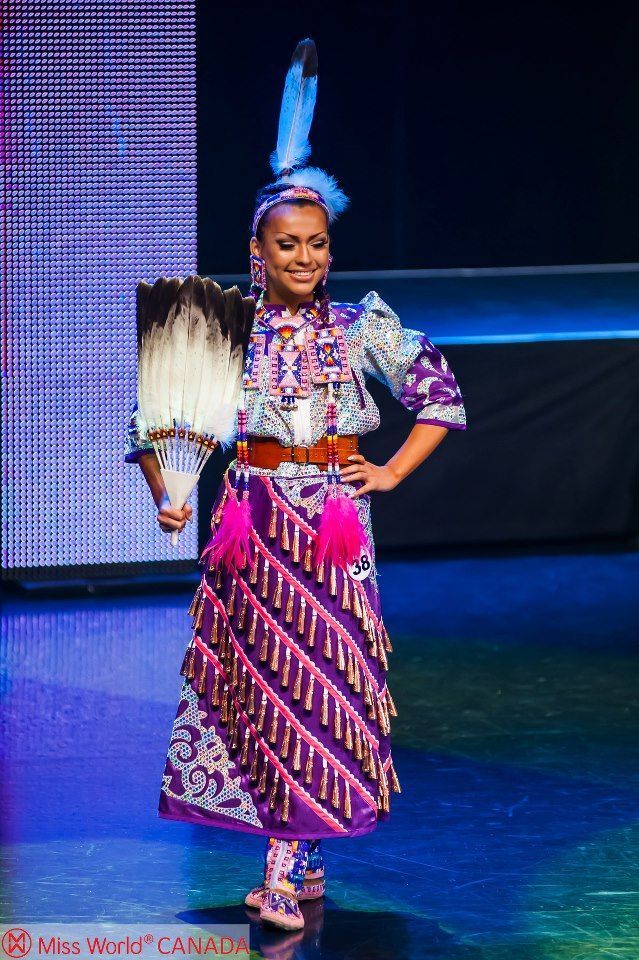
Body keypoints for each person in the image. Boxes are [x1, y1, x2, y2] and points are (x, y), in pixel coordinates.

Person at [124, 39, 467, 932]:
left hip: (335, 528)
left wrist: (387, 468)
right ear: (258, 248)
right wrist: (169, 491)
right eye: (289, 244)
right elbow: (156, 426)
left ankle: (288, 862)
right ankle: (290, 854)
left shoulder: (359, 328)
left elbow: (438, 392)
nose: (306, 257)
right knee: (259, 686)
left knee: (324, 686)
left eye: (317, 244)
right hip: (251, 525)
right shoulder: (221, 330)